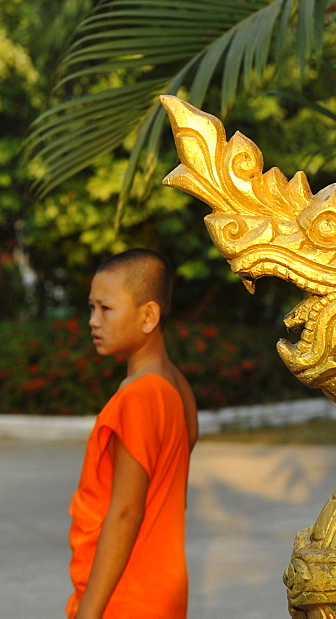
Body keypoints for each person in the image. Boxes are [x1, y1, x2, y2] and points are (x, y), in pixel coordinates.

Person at [66, 249, 199, 618]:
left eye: (106, 309)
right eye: (91, 308)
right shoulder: (175, 386)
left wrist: (89, 613)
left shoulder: (139, 397)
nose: (93, 321)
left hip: (127, 596)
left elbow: (126, 511)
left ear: (149, 316)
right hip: (163, 590)